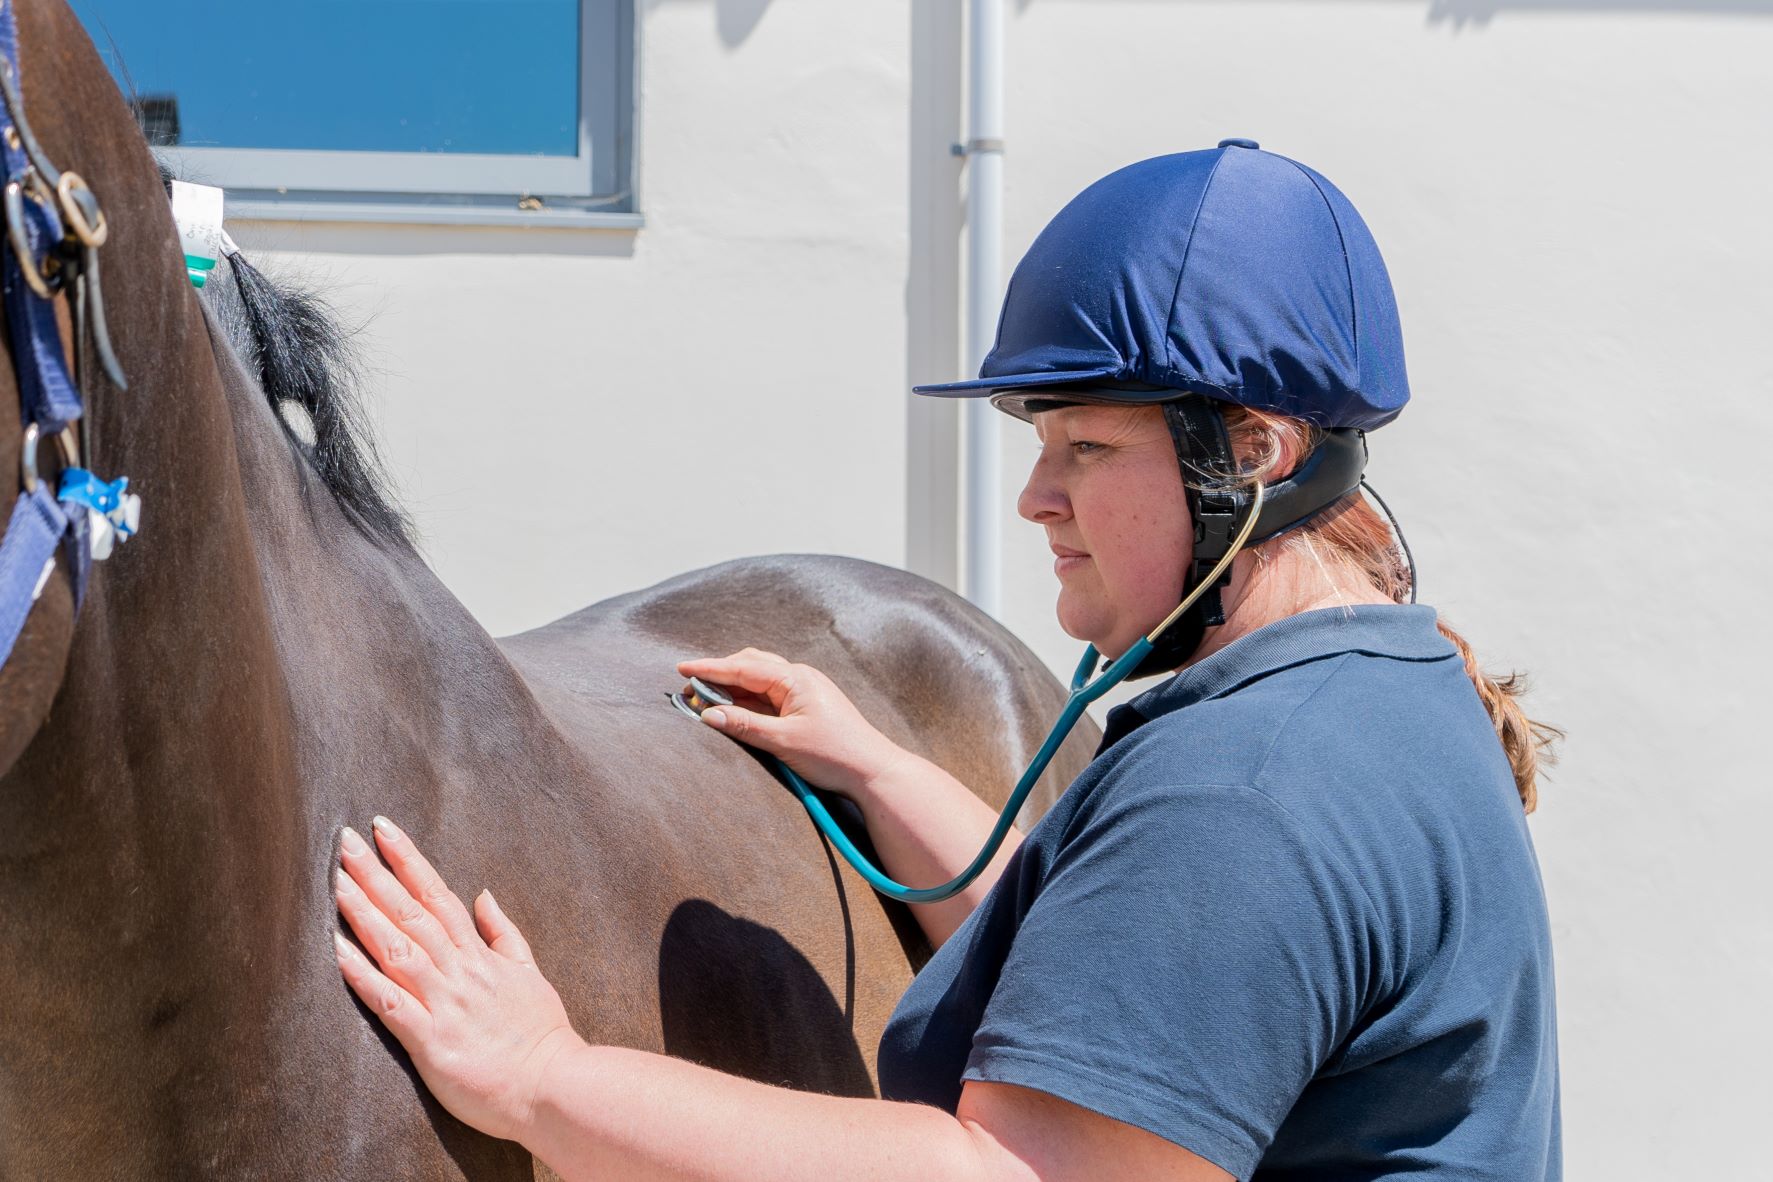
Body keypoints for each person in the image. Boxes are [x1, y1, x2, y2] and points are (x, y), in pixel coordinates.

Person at [332, 141, 1561, 1180]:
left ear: (1251, 455)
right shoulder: (1387, 694)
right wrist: (874, 762)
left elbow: (1013, 1173)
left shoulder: (1250, 787)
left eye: (1084, 447)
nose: (1037, 497)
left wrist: (540, 1077)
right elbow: (1133, 983)